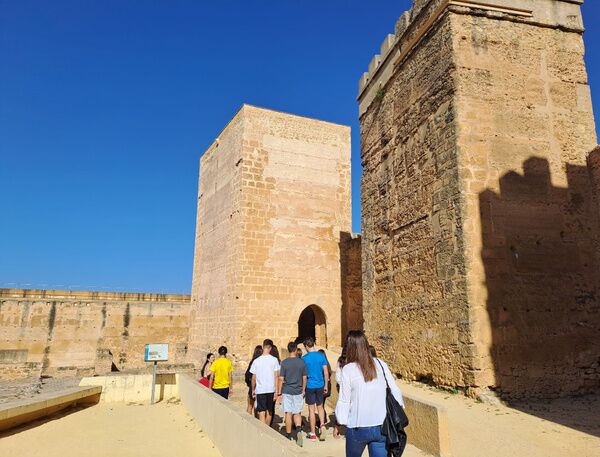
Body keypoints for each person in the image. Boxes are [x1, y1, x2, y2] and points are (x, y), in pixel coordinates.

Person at [335, 330, 404, 457]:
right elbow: (394, 390)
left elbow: (344, 400)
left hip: (357, 427)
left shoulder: (348, 369)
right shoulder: (381, 364)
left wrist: (339, 423)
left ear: (349, 347)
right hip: (382, 427)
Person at [278, 341, 307, 447]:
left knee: (288, 413)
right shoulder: (302, 362)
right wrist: (303, 390)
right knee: (297, 413)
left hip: (287, 391)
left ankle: (288, 434)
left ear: (289, 350)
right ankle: (298, 430)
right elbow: (304, 378)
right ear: (295, 350)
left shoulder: (284, 363)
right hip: (298, 391)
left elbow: (281, 379)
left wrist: (279, 393)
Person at [302, 336, 329, 441]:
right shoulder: (321, 356)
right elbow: (326, 372)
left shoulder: (304, 358)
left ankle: (313, 433)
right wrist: (326, 385)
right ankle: (322, 425)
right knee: (320, 406)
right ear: (313, 344)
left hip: (310, 386)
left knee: (311, 409)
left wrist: (303, 388)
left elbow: (303, 375)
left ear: (306, 346)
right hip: (320, 385)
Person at [250, 339, 280, 426]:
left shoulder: (256, 361)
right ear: (270, 348)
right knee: (269, 411)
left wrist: (253, 389)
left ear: (263, 347)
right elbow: (276, 376)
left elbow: (253, 378)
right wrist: (276, 391)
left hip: (260, 389)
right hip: (271, 389)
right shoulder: (274, 360)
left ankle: (264, 431)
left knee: (261, 411)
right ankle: (268, 429)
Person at [245, 345, 263, 414]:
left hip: (253, 386)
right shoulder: (262, 361)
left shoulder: (253, 362)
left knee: (250, 406)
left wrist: (249, 383)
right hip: (261, 387)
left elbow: (247, 375)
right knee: (258, 408)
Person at [318, 349, 333, 422]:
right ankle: (323, 418)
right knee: (322, 404)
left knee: (320, 405)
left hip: (321, 386)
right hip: (327, 386)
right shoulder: (328, 364)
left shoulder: (321, 365)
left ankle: (322, 420)